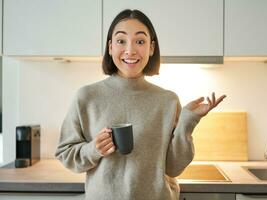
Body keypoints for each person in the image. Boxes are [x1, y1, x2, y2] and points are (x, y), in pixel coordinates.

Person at [55, 9, 226, 200]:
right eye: (121, 41)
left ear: (151, 48)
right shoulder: (86, 97)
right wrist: (93, 149)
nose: (130, 50)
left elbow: (173, 167)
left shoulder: (167, 100)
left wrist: (188, 122)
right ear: (110, 47)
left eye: (140, 41)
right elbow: (65, 153)